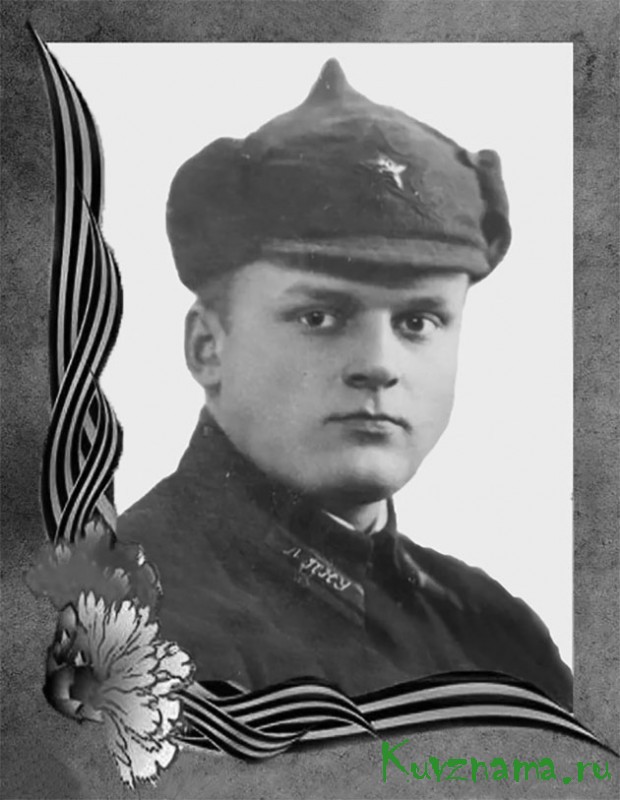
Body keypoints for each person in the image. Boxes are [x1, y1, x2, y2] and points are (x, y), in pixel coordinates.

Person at [118, 58, 572, 709]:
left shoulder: (499, 637)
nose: (379, 364)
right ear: (206, 348)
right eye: (320, 317)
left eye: (419, 321)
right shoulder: (122, 625)